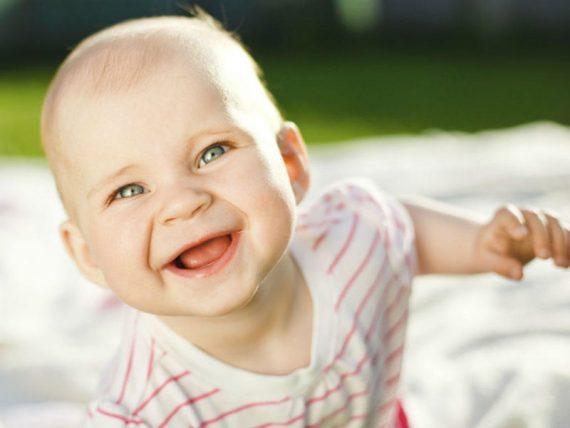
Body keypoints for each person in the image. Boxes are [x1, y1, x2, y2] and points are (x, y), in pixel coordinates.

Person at [39, 10, 569, 428]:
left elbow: (398, 230)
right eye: (129, 190)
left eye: (212, 152)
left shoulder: (352, 242)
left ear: (289, 163)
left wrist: (481, 242)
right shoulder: (140, 411)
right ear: (87, 253)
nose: (183, 203)